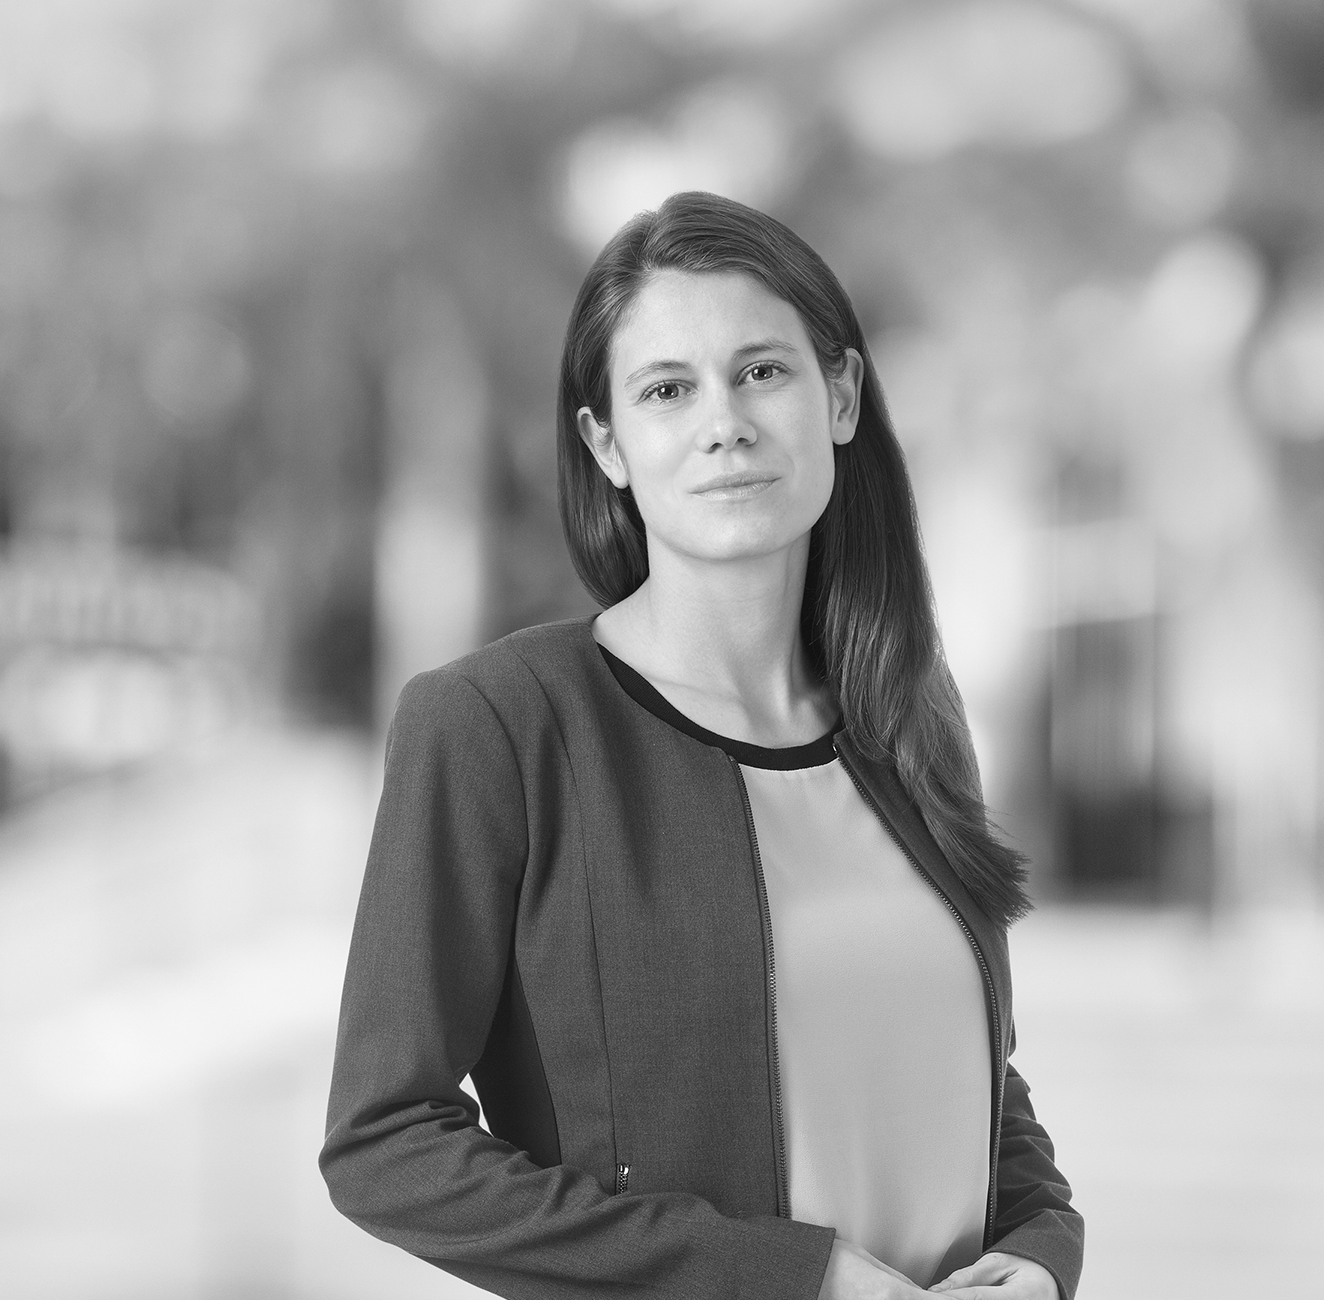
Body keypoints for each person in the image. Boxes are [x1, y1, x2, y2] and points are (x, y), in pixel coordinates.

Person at [321, 191, 1082, 1300]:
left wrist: (1039, 1248)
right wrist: (793, 1279)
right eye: (666, 390)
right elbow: (384, 1143)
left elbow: (973, 1079)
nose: (723, 423)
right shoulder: (498, 725)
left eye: (761, 371)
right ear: (607, 443)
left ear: (839, 396)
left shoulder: (908, 711)